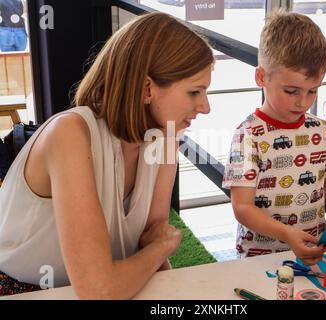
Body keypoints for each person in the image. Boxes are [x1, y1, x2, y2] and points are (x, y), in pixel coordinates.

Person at [0, 12, 214, 298]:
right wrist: (162, 246)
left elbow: (148, 245)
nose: (206, 107)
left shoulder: (166, 139)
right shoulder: (69, 134)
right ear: (147, 88)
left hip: (109, 285)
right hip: (22, 291)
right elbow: (100, 289)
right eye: (195, 92)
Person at [222, 10, 326, 266]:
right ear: (261, 77)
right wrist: (287, 234)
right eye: (291, 91)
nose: (303, 102)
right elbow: (242, 207)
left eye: (313, 91)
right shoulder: (248, 135)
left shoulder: (321, 130)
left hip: (313, 252)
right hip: (259, 260)